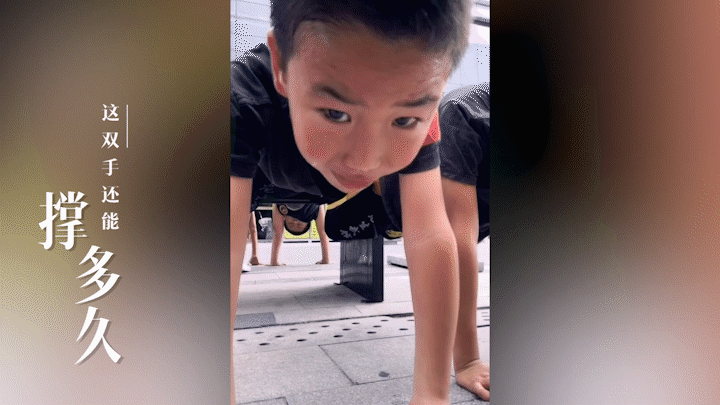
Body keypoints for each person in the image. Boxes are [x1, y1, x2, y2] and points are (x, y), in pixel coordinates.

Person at [230, 2, 472, 404]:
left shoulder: (417, 104)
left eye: (403, 120)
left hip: (329, 193)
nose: (365, 160)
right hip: (263, 168)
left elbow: (430, 236)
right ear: (280, 64)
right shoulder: (239, 98)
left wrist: (433, 395)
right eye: (334, 112)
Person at [322, 84, 491, 400]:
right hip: (391, 198)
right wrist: (468, 360)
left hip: (453, 209)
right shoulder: (466, 112)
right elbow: (456, 237)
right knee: (335, 225)